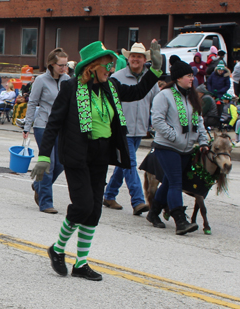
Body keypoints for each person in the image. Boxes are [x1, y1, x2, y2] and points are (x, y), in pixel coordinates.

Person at [31, 40, 162, 280]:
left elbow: (138, 92)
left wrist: (155, 71)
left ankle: (80, 263)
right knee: (82, 206)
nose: (111, 69)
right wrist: (43, 156)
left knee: (94, 211)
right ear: (92, 66)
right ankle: (58, 249)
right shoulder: (71, 88)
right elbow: (53, 124)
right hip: (76, 154)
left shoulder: (111, 86)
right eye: (106, 65)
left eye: (111, 65)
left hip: (101, 154)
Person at [146, 61, 209, 235]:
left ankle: (153, 213)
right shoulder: (164, 95)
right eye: (189, 76)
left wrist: (203, 141)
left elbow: (199, 121)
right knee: (175, 182)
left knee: (167, 182)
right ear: (179, 78)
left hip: (186, 149)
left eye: (192, 76)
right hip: (167, 147)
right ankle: (180, 220)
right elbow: (157, 121)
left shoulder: (192, 96)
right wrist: (174, 136)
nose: (192, 79)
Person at [103, 42, 159, 215]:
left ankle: (109, 195)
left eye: (139, 56)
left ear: (144, 60)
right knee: (130, 164)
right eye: (133, 56)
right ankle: (138, 201)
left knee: (123, 165)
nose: (135, 59)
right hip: (122, 130)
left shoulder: (150, 79)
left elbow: (156, 102)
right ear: (128, 59)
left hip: (140, 129)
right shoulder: (117, 78)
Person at [23, 48, 70, 214]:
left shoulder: (67, 80)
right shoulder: (41, 80)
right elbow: (32, 102)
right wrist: (27, 126)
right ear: (51, 64)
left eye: (66, 65)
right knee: (48, 164)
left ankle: (38, 185)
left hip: (61, 127)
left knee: (61, 163)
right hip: (43, 126)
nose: (64, 68)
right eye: (60, 65)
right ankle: (46, 203)